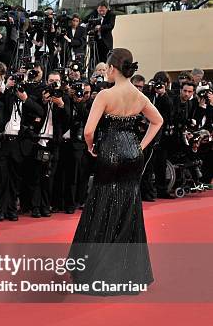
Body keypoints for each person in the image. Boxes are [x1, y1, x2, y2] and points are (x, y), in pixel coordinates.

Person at [69, 48, 163, 296]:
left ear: (111, 68)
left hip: (110, 151)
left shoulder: (105, 94)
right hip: (133, 154)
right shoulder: (139, 95)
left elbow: (89, 131)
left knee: (102, 204)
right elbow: (158, 121)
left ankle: (96, 271)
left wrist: (90, 147)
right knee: (128, 205)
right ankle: (127, 272)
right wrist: (140, 146)